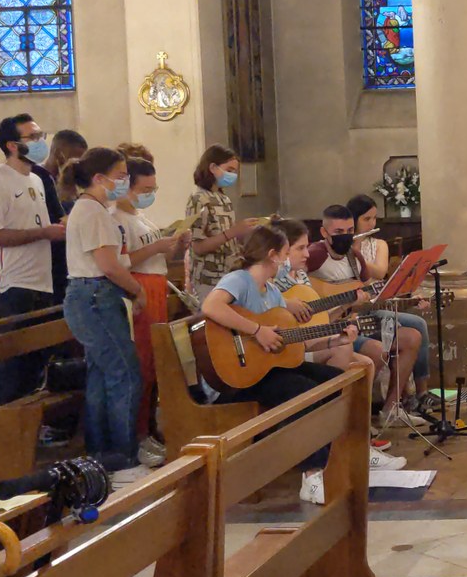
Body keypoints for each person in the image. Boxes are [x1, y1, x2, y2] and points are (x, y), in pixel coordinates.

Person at [203, 225, 400, 506]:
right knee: (306, 392)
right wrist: (257, 330)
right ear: (272, 255)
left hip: (270, 369)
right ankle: (312, 476)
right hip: (240, 377)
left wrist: (335, 339)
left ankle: (354, 451)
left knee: (338, 381)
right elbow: (211, 307)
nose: (287, 262)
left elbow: (296, 344)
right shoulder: (240, 280)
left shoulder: (272, 292)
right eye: (286, 254)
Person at [269, 218, 394, 458]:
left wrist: (345, 307)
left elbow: (319, 318)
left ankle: (359, 437)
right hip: (288, 349)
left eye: (307, 247)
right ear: (281, 251)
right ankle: (340, 442)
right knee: (343, 350)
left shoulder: (301, 276)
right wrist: (286, 305)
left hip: (307, 340)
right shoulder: (276, 280)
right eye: (300, 248)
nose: (307, 253)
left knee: (366, 363)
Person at [61, 147, 147, 484]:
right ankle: (122, 458)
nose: (124, 181)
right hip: (95, 295)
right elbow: (108, 265)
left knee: (101, 375)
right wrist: (137, 290)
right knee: (125, 374)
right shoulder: (92, 212)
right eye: (121, 175)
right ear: (99, 178)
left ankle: (101, 456)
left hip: (91, 295)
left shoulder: (91, 209)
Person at [0, 114, 68, 407]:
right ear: (12, 145)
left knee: (35, 363)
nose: (41, 142)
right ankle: (1, 425)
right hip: (11, 284)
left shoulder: (37, 179)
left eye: (42, 135)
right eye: (33, 137)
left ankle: (26, 426)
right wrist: (43, 233)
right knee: (14, 365)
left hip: (41, 280)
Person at [308, 205, 424, 427]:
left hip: (357, 322)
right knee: (377, 351)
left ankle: (390, 410)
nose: (345, 236)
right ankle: (358, 419)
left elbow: (372, 293)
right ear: (324, 232)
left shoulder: (355, 258)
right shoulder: (314, 255)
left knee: (412, 337)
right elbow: (297, 287)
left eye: (349, 231)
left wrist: (408, 296)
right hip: (330, 329)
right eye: (339, 232)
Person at [111, 156, 190, 465]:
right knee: (141, 362)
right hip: (139, 288)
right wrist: (156, 247)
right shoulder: (115, 218)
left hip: (157, 285)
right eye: (145, 189)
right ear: (127, 186)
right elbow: (121, 262)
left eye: (153, 189)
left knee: (155, 362)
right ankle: (136, 434)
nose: (150, 194)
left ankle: (148, 427)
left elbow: (158, 258)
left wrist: (177, 244)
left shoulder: (141, 217)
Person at [348, 193, 433, 399]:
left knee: (418, 323)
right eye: (366, 219)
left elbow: (379, 272)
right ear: (354, 220)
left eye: (374, 218)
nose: (371, 224)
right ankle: (407, 396)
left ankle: (422, 391)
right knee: (412, 327)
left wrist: (357, 254)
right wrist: (350, 250)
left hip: (377, 305)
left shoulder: (379, 245)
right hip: (355, 310)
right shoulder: (341, 249)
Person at [186, 144, 256, 301]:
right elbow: (198, 247)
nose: (233, 175)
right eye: (229, 170)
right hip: (209, 278)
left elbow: (227, 239)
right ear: (213, 167)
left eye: (235, 171)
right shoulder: (198, 199)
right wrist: (233, 231)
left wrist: (245, 231)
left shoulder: (224, 199)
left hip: (229, 273)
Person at [36, 129, 83, 298]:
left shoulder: (73, 185)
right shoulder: (38, 178)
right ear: (58, 154)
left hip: (69, 264)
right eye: (74, 159)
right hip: (47, 263)